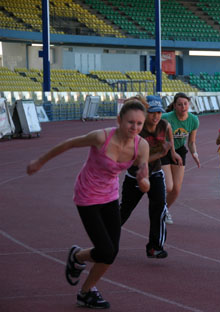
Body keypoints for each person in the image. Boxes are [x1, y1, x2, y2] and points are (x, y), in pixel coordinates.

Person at [26, 100, 150, 309]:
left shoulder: (142, 146)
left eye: (139, 124)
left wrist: (142, 181)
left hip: (110, 196)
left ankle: (83, 281)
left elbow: (145, 186)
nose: (134, 128)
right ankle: (80, 266)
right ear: (119, 120)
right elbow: (68, 144)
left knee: (111, 252)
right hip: (87, 195)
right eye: (130, 122)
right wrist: (40, 161)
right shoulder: (101, 137)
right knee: (106, 250)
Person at [120, 95, 171, 259]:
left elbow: (168, 135)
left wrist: (174, 153)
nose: (156, 117)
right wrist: (162, 154)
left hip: (155, 174)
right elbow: (136, 162)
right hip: (135, 176)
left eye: (159, 112)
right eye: (152, 113)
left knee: (159, 208)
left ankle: (155, 247)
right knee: (124, 210)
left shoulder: (163, 125)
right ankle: (105, 237)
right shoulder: (137, 130)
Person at [161, 92, 200, 224]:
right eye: (179, 104)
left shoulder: (193, 120)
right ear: (175, 106)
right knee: (169, 186)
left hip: (180, 150)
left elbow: (191, 142)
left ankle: (164, 210)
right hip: (164, 150)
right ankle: (161, 209)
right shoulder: (166, 117)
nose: (183, 106)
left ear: (189, 104)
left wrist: (195, 153)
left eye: (185, 104)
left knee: (176, 190)